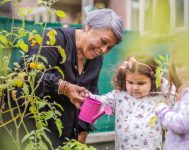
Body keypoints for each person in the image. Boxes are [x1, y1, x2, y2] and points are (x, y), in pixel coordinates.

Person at [18, 8, 123, 147]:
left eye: (110, 47)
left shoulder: (96, 59)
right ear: (88, 26)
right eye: (103, 41)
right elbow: (26, 75)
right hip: (32, 135)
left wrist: (83, 131)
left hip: (67, 140)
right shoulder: (54, 38)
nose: (104, 50)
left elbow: (91, 98)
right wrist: (64, 87)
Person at [89, 55, 163, 150]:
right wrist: (87, 95)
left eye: (141, 83)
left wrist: (161, 79)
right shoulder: (119, 96)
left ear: (153, 81)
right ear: (124, 80)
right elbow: (99, 101)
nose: (135, 87)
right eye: (130, 82)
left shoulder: (158, 98)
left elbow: (173, 94)